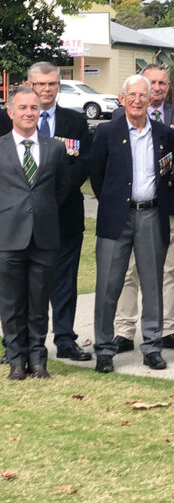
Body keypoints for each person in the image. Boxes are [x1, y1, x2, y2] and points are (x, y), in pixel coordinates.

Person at [0, 63, 92, 364]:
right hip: (16, 223)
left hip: (62, 217)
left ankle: (65, 339)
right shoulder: (7, 119)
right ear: (29, 84)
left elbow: (81, 166)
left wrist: (49, 201)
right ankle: (16, 346)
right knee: (17, 286)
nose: (47, 89)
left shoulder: (75, 122)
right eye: (40, 84)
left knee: (64, 282)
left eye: (52, 83)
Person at [90, 75, 174, 373]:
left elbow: (166, 172)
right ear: (122, 98)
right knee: (108, 285)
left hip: (151, 215)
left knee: (153, 284)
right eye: (132, 95)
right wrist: (116, 202)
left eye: (143, 95)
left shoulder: (164, 133)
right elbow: (97, 177)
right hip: (117, 217)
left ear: (151, 98)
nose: (138, 100)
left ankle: (152, 347)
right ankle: (103, 349)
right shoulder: (106, 132)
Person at [112, 63, 174, 355]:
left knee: (170, 269)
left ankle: (169, 328)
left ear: (167, 87)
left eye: (161, 83)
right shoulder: (121, 117)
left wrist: (169, 175)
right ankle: (124, 331)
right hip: (133, 208)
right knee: (130, 270)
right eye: (151, 83)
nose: (156, 88)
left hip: (171, 204)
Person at [0, 86, 69, 380]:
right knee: (12, 303)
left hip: (44, 236)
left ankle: (38, 359)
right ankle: (16, 360)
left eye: (33, 108)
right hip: (8, 236)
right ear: (11, 112)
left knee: (39, 301)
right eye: (23, 108)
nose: (29, 113)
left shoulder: (54, 147)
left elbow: (61, 189)